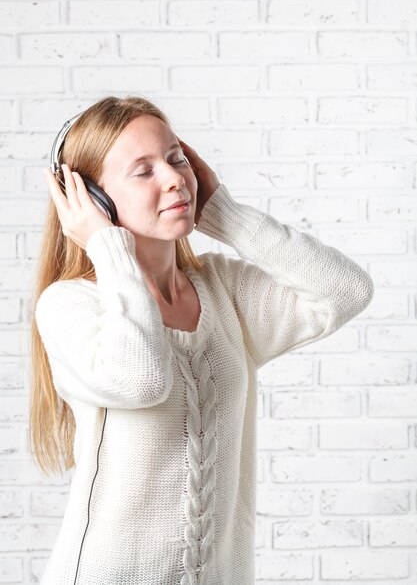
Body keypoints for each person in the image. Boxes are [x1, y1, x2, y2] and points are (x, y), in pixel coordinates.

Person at [30, 94, 374, 585]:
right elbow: (141, 380)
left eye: (176, 159)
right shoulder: (70, 306)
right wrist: (106, 245)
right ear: (93, 200)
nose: (173, 178)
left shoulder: (223, 290)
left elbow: (346, 291)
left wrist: (223, 213)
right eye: (143, 170)